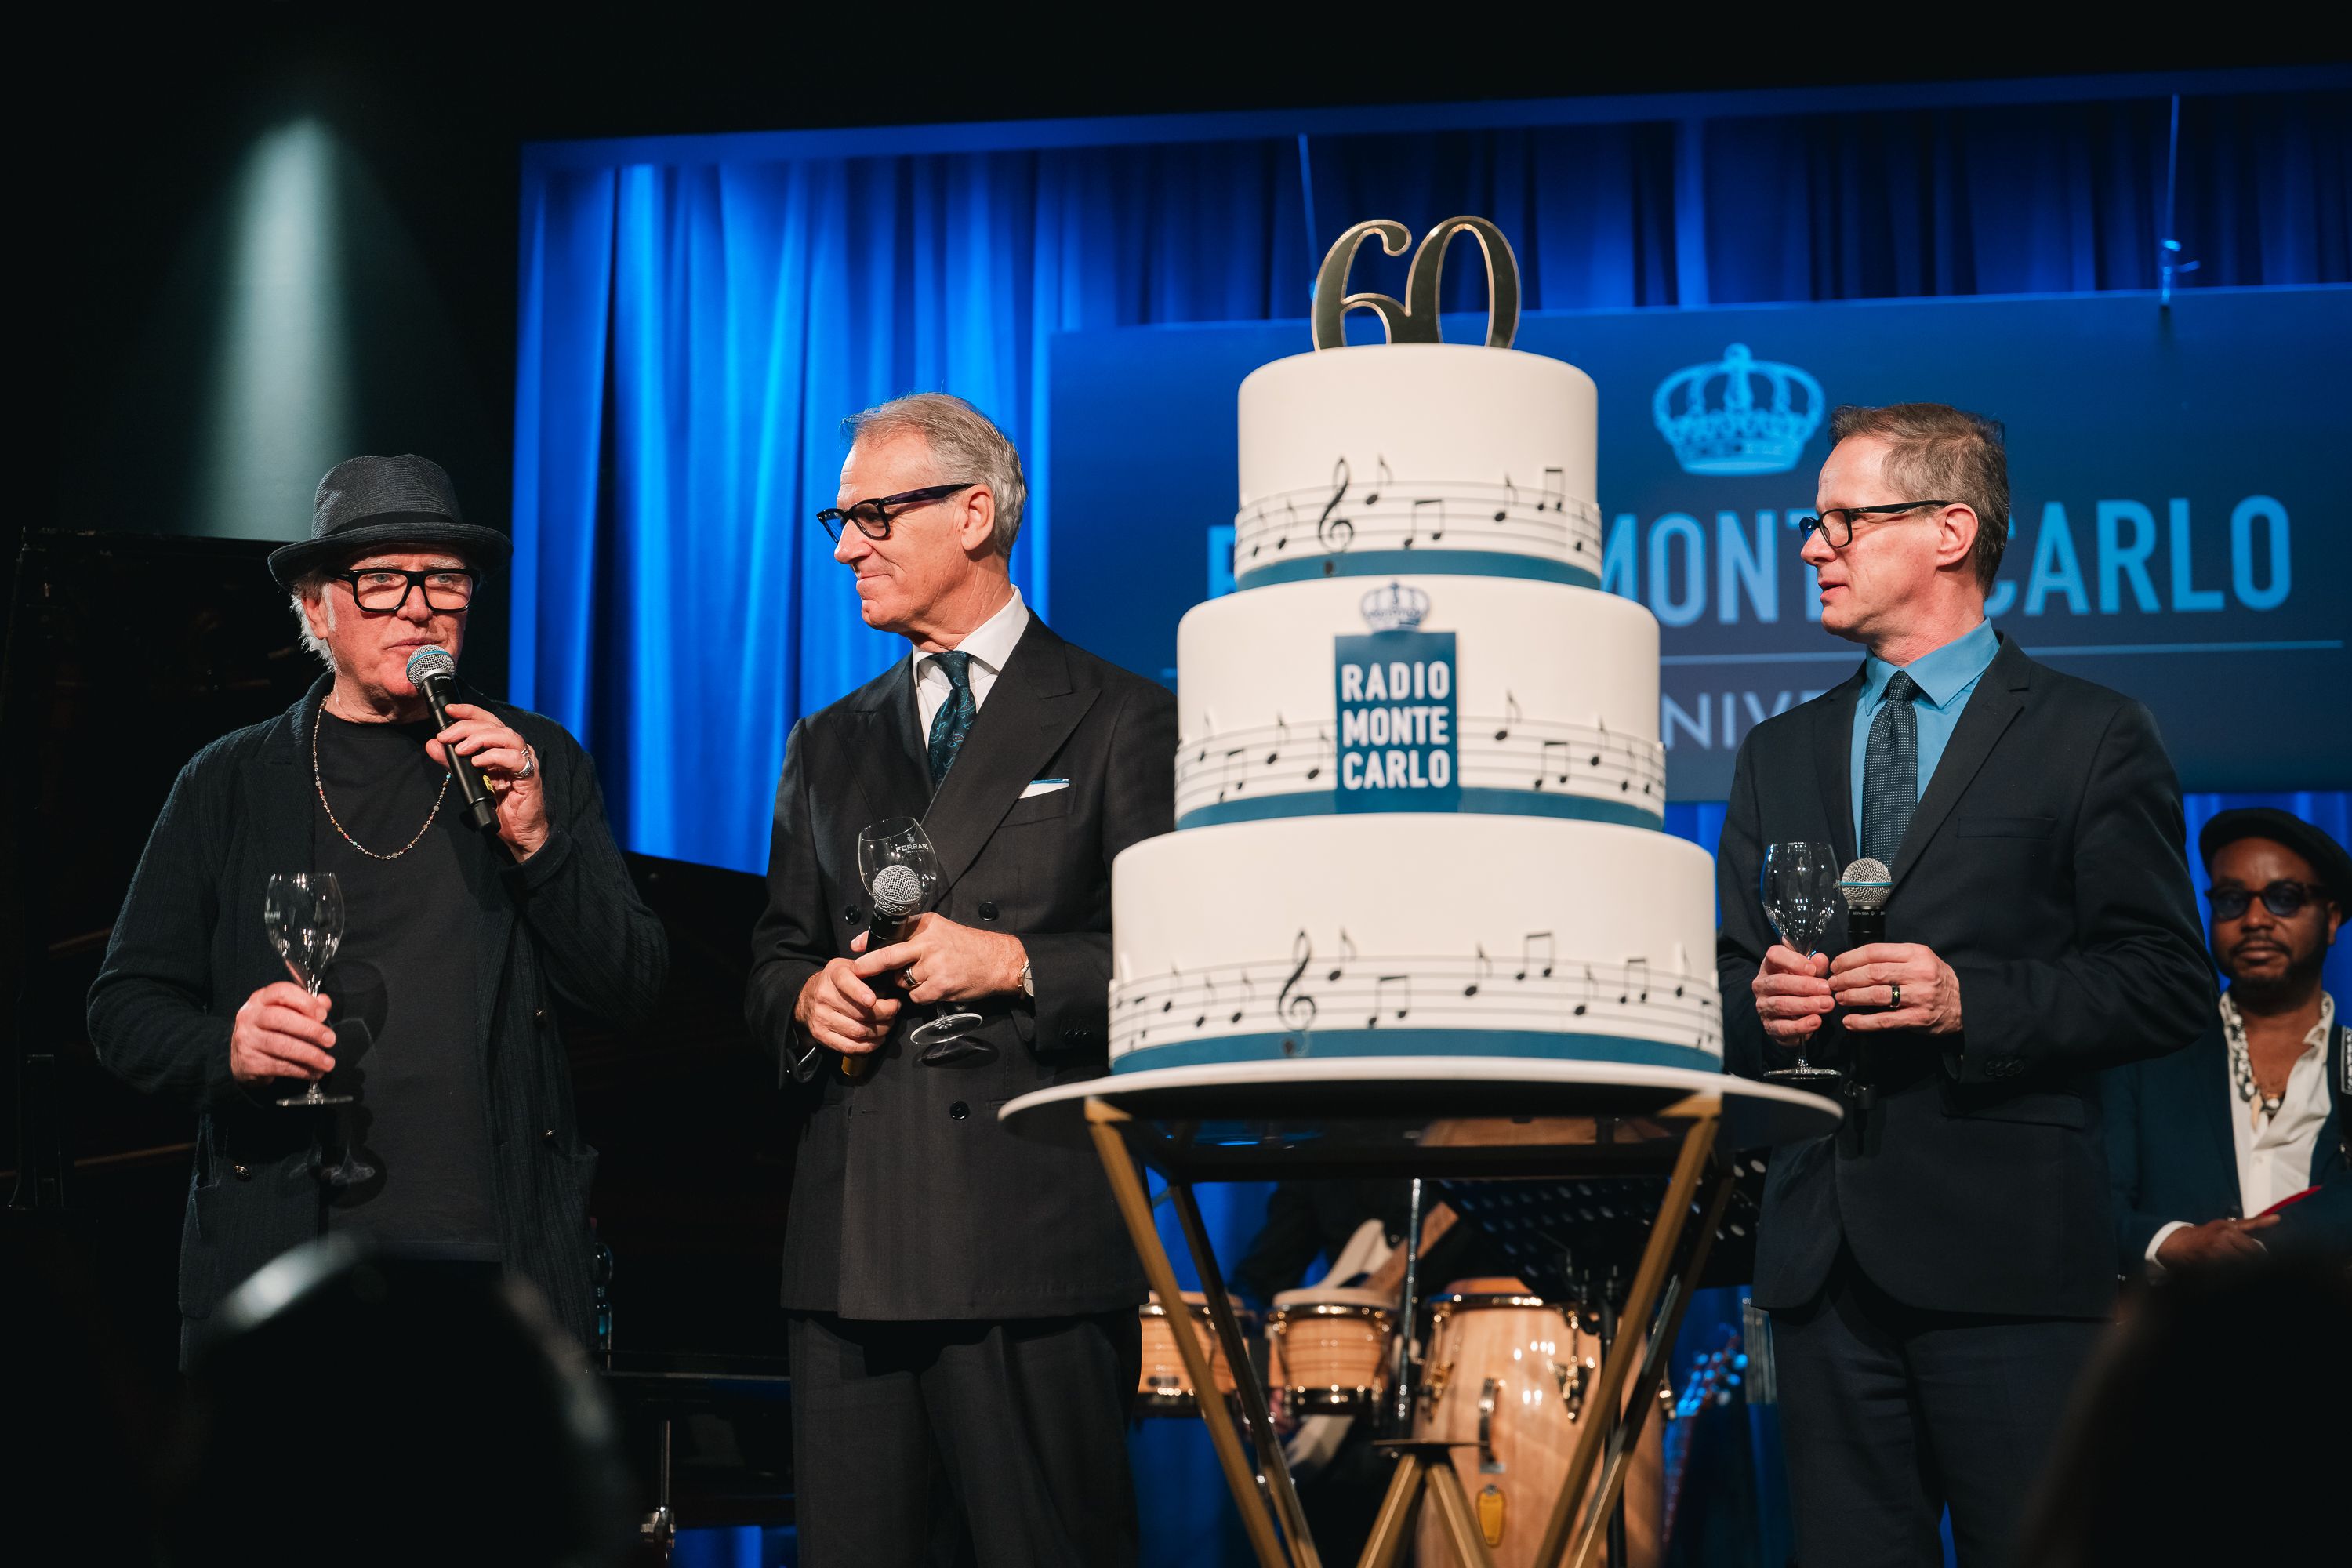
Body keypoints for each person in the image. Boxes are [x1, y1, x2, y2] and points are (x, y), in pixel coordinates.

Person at [1715, 404, 2213, 1565]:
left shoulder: (2091, 734)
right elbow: (1727, 981)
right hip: (1822, 1265)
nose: (1812, 546)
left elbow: (2165, 982)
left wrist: (1967, 999)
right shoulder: (1778, 749)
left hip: (2012, 1262)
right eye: (1814, 522)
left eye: (1844, 521)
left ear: (1950, 531)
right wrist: (1762, 1009)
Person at [88, 454, 666, 1362]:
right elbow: (122, 1008)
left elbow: (630, 988)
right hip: (286, 1268)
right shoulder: (229, 780)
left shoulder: (535, 757)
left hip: (499, 1274)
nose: (418, 605)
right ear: (317, 606)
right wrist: (226, 1047)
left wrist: (536, 842)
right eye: (382, 579)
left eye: (445, 578)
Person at [745, 394, 1176, 1566]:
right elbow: (773, 956)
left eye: (874, 517)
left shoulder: (1123, 718)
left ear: (975, 514)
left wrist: (1015, 961)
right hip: (851, 1250)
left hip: (1029, 1244)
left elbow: (1182, 972)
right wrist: (806, 999)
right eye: (840, 519)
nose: (846, 547)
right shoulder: (826, 741)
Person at [2106, 808, 2350, 1272]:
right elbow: (2097, 1205)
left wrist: (2271, 1249)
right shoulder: (2146, 1056)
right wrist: (2171, 1241)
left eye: (2284, 898)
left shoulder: (2351, 1064)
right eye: (2232, 900)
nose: (2255, 919)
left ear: (2332, 918)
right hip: (2175, 1315)